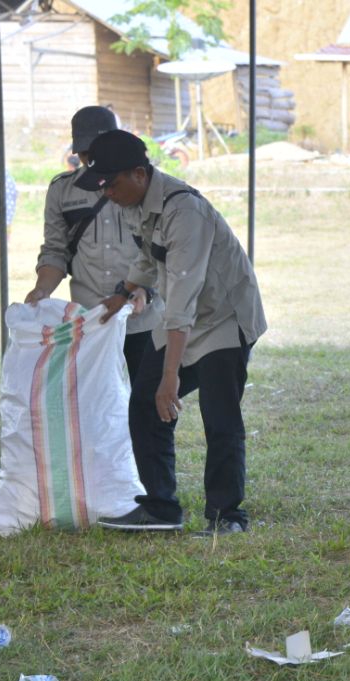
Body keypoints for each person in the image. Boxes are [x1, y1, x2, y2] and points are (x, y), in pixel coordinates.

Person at [79, 130, 267, 535]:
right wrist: (124, 292)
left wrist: (171, 376)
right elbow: (150, 257)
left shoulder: (185, 212)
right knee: (145, 405)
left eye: (112, 183)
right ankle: (161, 507)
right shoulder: (133, 202)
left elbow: (183, 296)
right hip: (184, 319)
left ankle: (227, 516)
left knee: (220, 416)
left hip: (223, 319)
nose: (107, 192)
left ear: (139, 173)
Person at [27, 106, 162, 381]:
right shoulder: (62, 190)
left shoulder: (145, 185)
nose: (94, 162)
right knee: (95, 406)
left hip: (144, 320)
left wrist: (145, 292)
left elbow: (165, 251)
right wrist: (41, 291)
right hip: (90, 320)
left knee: (146, 407)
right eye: (87, 154)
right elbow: (55, 251)